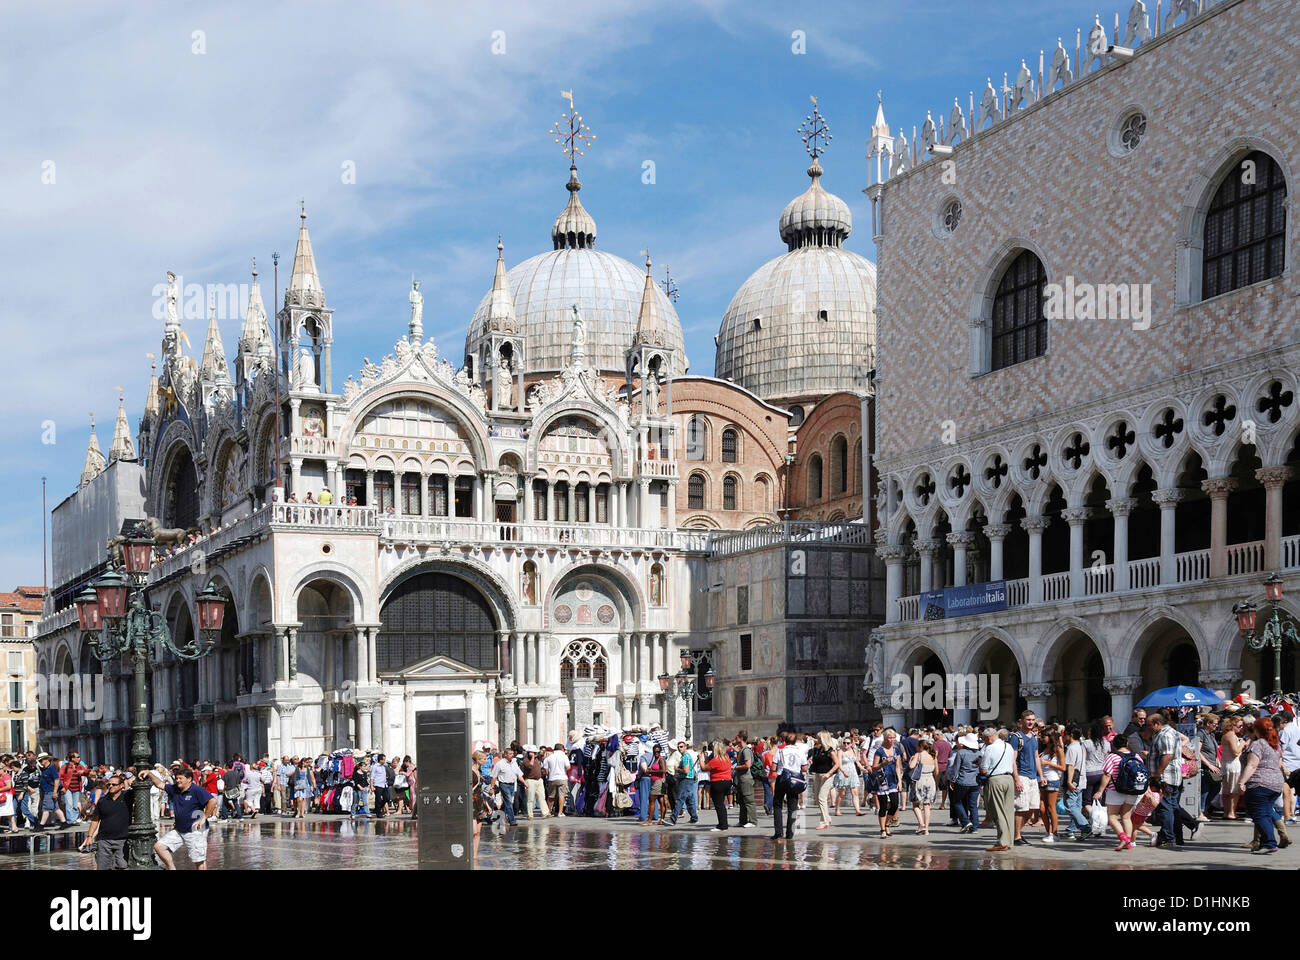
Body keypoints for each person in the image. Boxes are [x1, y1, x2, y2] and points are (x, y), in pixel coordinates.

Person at [144, 766, 216, 870]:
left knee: (199, 861)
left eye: (180, 778)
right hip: (179, 829)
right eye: (176, 778)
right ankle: (171, 868)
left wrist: (204, 817)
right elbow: (160, 784)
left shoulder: (197, 790)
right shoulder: (175, 789)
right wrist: (149, 773)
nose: (177, 781)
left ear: (189, 779)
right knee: (159, 847)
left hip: (195, 830)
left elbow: (213, 801)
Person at [1239, 716, 1287, 854]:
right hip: (1276, 784)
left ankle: (1269, 843)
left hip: (1260, 783)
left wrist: (1242, 781)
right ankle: (1268, 842)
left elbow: (1252, 765)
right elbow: (1278, 764)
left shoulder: (1258, 744)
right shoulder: (1274, 744)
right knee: (1266, 813)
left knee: (1259, 814)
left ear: (1257, 730)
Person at [1146, 711, 1183, 848]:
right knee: (1172, 807)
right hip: (1170, 776)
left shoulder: (1165, 734)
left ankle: (1169, 837)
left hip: (1165, 777)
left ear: (1157, 723)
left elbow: (1167, 755)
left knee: (1165, 808)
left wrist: (1157, 774)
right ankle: (1176, 836)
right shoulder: (1170, 732)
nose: (1148, 728)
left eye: (1149, 725)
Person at [1095, 737, 1139, 851]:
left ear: (1113, 745)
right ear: (1127, 743)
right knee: (1126, 817)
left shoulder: (1112, 757)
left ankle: (1123, 838)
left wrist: (1100, 791)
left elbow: (1107, 775)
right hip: (1133, 790)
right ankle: (1128, 842)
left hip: (1115, 791)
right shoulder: (1136, 756)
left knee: (1112, 817)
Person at [1008, 710, 1044, 845]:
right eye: (1028, 719)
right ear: (1022, 721)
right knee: (1021, 807)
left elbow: (1036, 757)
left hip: (1033, 777)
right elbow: (1013, 759)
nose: (1031, 722)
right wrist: (1016, 779)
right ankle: (1016, 836)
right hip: (1022, 775)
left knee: (1033, 808)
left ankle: (1015, 832)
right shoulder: (1016, 737)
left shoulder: (1034, 737)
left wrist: (1041, 775)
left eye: (1033, 719)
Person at [979, 726, 1016, 851]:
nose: (984, 742)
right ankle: (1009, 841)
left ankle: (1002, 841)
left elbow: (984, 770)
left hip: (996, 780)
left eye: (984, 739)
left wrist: (979, 763)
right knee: (1009, 811)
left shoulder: (990, 748)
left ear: (989, 738)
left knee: (997, 811)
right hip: (1009, 779)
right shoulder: (1008, 746)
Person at [771, 731, 808, 841]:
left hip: (782, 778)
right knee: (792, 807)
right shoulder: (800, 752)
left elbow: (773, 768)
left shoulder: (780, 751)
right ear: (795, 741)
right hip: (794, 780)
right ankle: (790, 833)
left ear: (785, 741)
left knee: (777, 805)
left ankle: (778, 832)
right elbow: (805, 768)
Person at [89, 774, 131, 870]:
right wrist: (89, 836)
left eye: (114, 784)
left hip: (122, 840)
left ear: (121, 786)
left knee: (122, 866)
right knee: (103, 867)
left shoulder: (127, 797)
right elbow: (95, 820)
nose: (111, 786)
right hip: (104, 840)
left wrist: (126, 779)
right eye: (109, 785)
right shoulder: (102, 801)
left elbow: (134, 781)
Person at [870, 728, 904, 839]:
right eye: (889, 737)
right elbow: (874, 767)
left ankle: (887, 823)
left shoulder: (896, 750)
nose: (891, 740)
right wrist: (883, 763)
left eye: (893, 737)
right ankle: (883, 830)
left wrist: (899, 781)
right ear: (885, 738)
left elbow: (898, 766)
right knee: (883, 806)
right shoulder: (879, 751)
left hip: (893, 780)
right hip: (882, 781)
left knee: (894, 804)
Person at [1060, 724, 1091, 840]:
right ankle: (1072, 830)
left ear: (1071, 735)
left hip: (1074, 782)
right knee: (1076, 807)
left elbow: (1071, 766)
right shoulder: (1081, 746)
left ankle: (1085, 826)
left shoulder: (1072, 748)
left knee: (1070, 806)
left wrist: (1068, 782)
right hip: (1081, 781)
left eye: (1065, 734)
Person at [948, 731, 981, 833]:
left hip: (962, 780)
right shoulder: (979, 753)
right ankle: (974, 827)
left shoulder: (961, 753)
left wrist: (952, 780)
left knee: (957, 802)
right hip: (975, 782)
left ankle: (966, 822)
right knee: (973, 805)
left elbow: (956, 768)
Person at [1038, 727, 1065, 843]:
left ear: (1050, 737)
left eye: (1043, 736)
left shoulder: (1058, 750)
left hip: (1052, 780)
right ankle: (1048, 831)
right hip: (1042, 780)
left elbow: (1063, 767)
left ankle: (1054, 833)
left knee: (1051, 807)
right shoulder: (1044, 750)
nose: (1041, 739)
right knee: (1042, 808)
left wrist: (1047, 763)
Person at [808, 731, 838, 831]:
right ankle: (828, 818)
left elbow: (837, 764)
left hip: (827, 776)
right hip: (817, 774)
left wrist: (829, 773)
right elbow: (816, 760)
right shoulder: (817, 749)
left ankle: (823, 821)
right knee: (817, 798)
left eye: (819, 738)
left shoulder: (830, 750)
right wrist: (811, 761)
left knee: (822, 798)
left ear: (824, 739)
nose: (817, 740)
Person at [906, 739, 937, 835]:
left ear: (920, 746)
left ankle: (922, 824)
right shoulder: (933, 756)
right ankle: (926, 829)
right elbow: (937, 771)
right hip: (930, 779)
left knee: (916, 804)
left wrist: (911, 760)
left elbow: (911, 766)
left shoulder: (918, 755)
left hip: (920, 780)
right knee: (927, 805)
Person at [703, 740, 733, 832]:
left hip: (717, 782)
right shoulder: (726, 757)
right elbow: (710, 766)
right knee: (721, 805)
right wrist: (707, 758)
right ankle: (723, 823)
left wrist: (701, 759)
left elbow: (704, 768)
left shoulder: (716, 760)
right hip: (727, 781)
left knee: (719, 805)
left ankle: (723, 825)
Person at [1219, 715, 1246, 819]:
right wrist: (1242, 743)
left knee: (1226, 791)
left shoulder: (1226, 735)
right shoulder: (1231, 735)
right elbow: (1235, 752)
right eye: (1239, 726)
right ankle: (1231, 813)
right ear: (1233, 725)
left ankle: (1227, 812)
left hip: (1226, 765)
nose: (1241, 728)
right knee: (1234, 791)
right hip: (1233, 766)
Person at [1275, 711, 1299, 824]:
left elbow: (1282, 749)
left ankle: (1286, 814)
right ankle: (1291, 813)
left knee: (1287, 790)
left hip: (1287, 762)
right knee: (1293, 790)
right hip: (1296, 761)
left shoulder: (1285, 731)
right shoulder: (1297, 729)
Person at [832, 733, 864, 817]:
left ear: (852, 743)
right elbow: (839, 763)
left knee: (855, 792)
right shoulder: (840, 751)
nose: (846, 744)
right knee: (842, 793)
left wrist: (863, 769)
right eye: (844, 743)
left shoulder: (854, 750)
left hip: (853, 772)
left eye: (848, 743)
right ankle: (837, 809)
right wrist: (843, 772)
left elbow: (857, 762)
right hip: (843, 772)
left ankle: (857, 810)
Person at [489, 747, 523, 826]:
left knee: (507, 802)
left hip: (512, 784)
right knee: (509, 802)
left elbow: (519, 773)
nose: (512, 755)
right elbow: (494, 776)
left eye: (512, 754)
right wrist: (492, 787)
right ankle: (512, 820)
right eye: (510, 754)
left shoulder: (514, 762)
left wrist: (524, 782)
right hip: (504, 784)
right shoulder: (499, 764)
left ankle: (498, 816)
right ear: (505, 754)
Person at [731, 732, 758, 828]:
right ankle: (742, 821)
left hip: (746, 779)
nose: (735, 738)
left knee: (749, 800)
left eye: (737, 737)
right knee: (741, 800)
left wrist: (735, 767)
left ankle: (753, 821)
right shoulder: (742, 750)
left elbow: (747, 765)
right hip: (741, 779)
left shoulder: (746, 750)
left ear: (741, 738)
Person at [36, 753, 68, 830]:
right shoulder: (45, 769)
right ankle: (64, 823)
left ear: (47, 759)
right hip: (47, 791)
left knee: (46, 808)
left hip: (50, 791)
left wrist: (54, 792)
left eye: (41, 760)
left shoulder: (51, 769)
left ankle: (41, 825)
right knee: (56, 808)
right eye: (39, 761)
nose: (40, 762)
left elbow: (56, 780)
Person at [60, 751, 89, 826]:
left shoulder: (79, 765)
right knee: (69, 804)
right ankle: (70, 821)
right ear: (72, 758)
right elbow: (60, 776)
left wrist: (84, 771)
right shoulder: (65, 766)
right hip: (67, 787)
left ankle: (74, 819)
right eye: (78, 757)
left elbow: (87, 772)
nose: (79, 758)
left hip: (76, 787)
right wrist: (63, 786)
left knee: (75, 805)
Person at [519, 746, 547, 820]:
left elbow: (542, 753)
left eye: (536, 752)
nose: (536, 754)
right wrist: (532, 757)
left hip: (539, 780)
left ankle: (545, 813)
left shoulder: (537, 759)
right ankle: (530, 815)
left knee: (541, 797)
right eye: (534, 753)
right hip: (530, 780)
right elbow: (530, 766)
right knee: (530, 799)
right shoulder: (526, 760)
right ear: (529, 753)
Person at [544, 743, 570, 818]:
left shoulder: (549, 757)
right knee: (562, 795)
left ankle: (548, 812)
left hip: (552, 778)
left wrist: (549, 774)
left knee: (551, 796)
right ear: (562, 749)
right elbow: (568, 767)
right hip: (562, 777)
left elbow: (546, 770)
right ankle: (560, 812)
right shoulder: (564, 756)